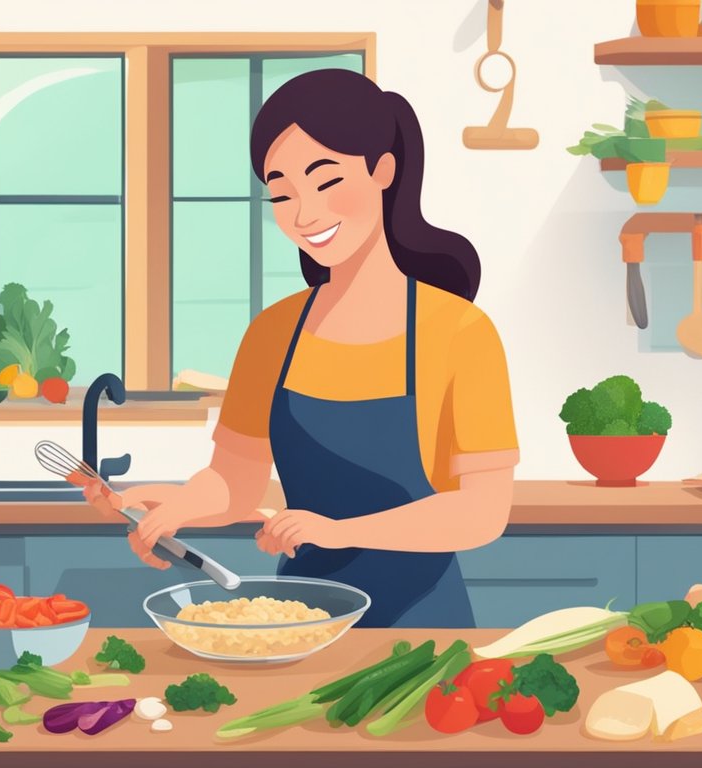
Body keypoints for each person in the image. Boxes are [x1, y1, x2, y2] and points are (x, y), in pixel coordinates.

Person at [86, 69, 518, 628]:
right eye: (282, 192)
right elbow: (235, 482)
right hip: (297, 622)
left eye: (325, 180)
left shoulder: (459, 331)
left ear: (383, 169)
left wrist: (341, 532)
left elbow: (482, 512)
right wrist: (176, 504)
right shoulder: (274, 332)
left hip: (422, 632)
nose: (304, 212)